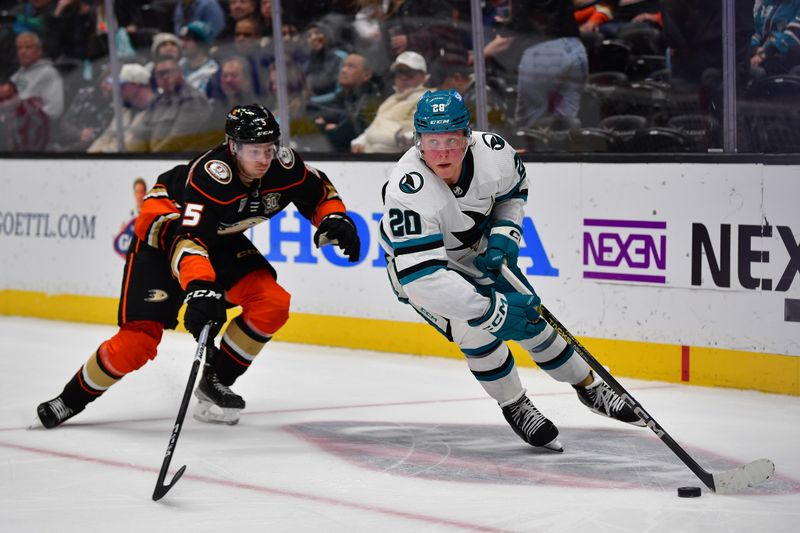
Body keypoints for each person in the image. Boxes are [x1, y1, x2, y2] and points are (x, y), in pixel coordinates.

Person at [33, 103, 362, 429]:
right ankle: (68, 401)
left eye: (269, 148)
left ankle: (214, 381)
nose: (264, 159)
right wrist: (200, 287)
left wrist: (333, 216)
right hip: (162, 240)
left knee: (271, 302)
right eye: (253, 150)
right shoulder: (211, 177)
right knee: (138, 343)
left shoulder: (283, 166)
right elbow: (187, 241)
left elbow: (319, 189)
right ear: (233, 146)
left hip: (215, 238)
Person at [379, 89, 644, 450]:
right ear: (418, 141)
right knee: (477, 333)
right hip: (423, 271)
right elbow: (423, 279)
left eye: (452, 140)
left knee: (531, 319)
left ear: (467, 138)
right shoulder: (407, 189)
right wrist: (490, 311)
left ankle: (591, 388)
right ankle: (514, 404)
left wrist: (505, 233)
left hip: (479, 252)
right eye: (432, 140)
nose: (442, 151)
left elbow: (514, 192)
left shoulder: (494, 153)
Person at [127, 54, 211, 152]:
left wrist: (149, 159)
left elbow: (177, 142)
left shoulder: (193, 100)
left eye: (169, 72)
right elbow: (140, 136)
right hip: (150, 160)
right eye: (160, 74)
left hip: (178, 160)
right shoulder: (157, 102)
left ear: (180, 72)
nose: (165, 77)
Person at [350, 50, 427, 153]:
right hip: (370, 158)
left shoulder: (427, 99)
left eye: (409, 73)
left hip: (396, 159)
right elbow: (374, 126)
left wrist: (402, 139)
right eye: (399, 72)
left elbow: (423, 133)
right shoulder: (391, 100)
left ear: (422, 76)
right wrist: (358, 142)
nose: (403, 77)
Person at [10, 31, 64, 120]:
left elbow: (54, 110)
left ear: (39, 51)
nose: (22, 52)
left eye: (28, 47)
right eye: (19, 48)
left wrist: (26, 118)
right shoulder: (19, 73)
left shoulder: (48, 73)